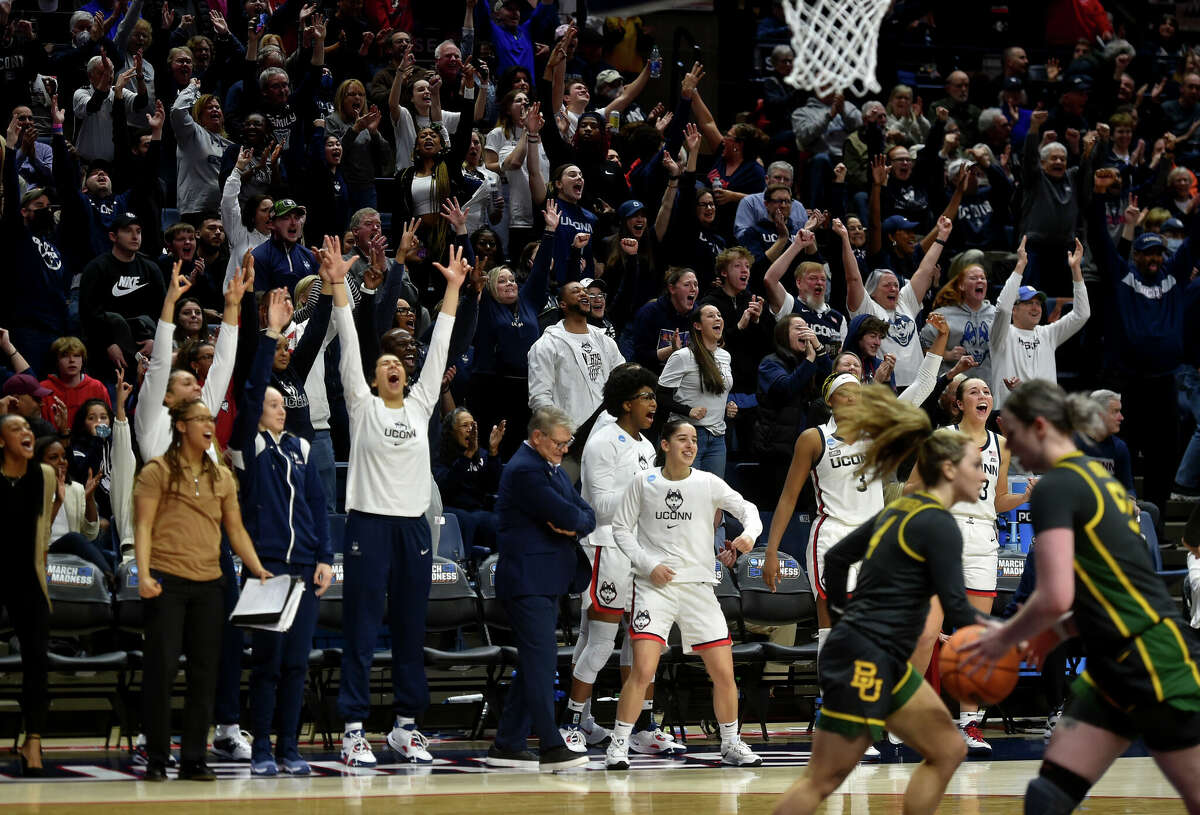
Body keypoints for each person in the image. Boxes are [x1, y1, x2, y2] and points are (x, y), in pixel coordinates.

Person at [965, 380, 1200, 814]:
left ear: (1038, 426)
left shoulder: (1058, 486)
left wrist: (1001, 637)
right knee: (1048, 796)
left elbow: (1055, 595)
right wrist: (1056, 631)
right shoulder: (1094, 477)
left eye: (1011, 434)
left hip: (1151, 658)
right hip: (1115, 661)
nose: (1008, 446)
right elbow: (1098, 587)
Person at [772, 385, 984, 815]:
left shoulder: (895, 512)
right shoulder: (935, 524)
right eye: (976, 465)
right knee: (825, 780)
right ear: (948, 469)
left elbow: (838, 557)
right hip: (865, 660)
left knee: (947, 749)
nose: (983, 474)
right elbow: (960, 609)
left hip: (880, 655)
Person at [325, 236, 466, 767]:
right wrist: (339, 284)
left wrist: (452, 290)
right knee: (363, 629)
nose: (395, 367)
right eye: (385, 362)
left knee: (411, 629)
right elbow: (346, 337)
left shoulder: (422, 403)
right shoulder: (361, 406)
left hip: (412, 530)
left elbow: (442, 347)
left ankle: (406, 727)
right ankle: (354, 730)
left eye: (400, 364)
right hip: (369, 527)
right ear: (373, 375)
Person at [605, 418, 763, 769]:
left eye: (694, 439)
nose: (690, 445)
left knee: (724, 672)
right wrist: (648, 565)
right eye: (682, 439)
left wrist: (748, 536)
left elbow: (748, 510)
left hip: (698, 588)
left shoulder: (708, 482)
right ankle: (618, 744)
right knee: (643, 669)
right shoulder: (643, 482)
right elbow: (620, 529)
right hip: (653, 587)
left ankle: (731, 742)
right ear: (664, 445)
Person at [133, 398, 272, 783]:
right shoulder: (156, 471)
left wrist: (258, 568)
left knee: (204, 673)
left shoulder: (222, 477)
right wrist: (144, 574)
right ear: (180, 426)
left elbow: (236, 529)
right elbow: (142, 526)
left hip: (211, 583)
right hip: (167, 580)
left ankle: (194, 757)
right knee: (161, 671)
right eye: (199, 420)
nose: (208, 425)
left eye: (210, 419)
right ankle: (158, 756)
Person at [905, 376, 1032, 755]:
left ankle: (969, 726)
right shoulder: (941, 438)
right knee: (927, 634)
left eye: (987, 391)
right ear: (958, 404)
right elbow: (910, 488)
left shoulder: (1002, 445)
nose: (984, 396)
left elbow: (996, 500)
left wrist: (1023, 496)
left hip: (983, 541)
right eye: (974, 391)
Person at [561, 363, 683, 754]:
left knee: (644, 642)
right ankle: (571, 722)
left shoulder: (647, 448)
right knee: (599, 642)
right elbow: (598, 505)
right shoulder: (602, 442)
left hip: (639, 553)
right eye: (647, 396)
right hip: (607, 548)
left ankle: (642, 726)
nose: (654, 404)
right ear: (626, 402)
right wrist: (646, 492)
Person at [237, 289, 334, 777]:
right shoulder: (250, 448)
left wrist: (323, 557)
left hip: (303, 569)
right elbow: (252, 389)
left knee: (297, 665)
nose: (279, 407)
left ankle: (291, 749)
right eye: (272, 403)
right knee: (268, 665)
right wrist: (269, 332)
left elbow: (318, 507)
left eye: (282, 403)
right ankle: (260, 752)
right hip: (267, 567)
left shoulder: (298, 447)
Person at [486, 406, 594, 771]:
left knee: (535, 663)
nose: (565, 449)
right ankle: (550, 746)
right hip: (527, 581)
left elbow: (585, 513)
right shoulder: (525, 470)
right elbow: (569, 514)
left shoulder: (547, 467)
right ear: (538, 438)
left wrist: (574, 524)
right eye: (560, 443)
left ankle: (507, 744)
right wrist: (573, 522)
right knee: (541, 663)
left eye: (568, 443)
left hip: (545, 581)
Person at [0, 414, 56, 776]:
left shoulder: (45, 476)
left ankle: (33, 740)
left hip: (28, 576)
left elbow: (43, 532)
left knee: (37, 658)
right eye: (16, 428)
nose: (27, 433)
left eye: (28, 429)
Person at [841, 216, 950, 389]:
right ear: (873, 291)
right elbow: (853, 279)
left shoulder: (904, 302)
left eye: (896, 285)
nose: (893, 288)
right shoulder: (868, 309)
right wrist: (845, 240)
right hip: (887, 386)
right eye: (887, 285)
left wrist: (942, 236)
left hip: (918, 386)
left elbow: (924, 270)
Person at [990, 237, 1090, 411]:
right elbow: (1003, 309)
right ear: (1015, 309)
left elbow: (1082, 314)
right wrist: (1020, 266)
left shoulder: (1048, 334)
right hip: (1009, 416)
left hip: (1046, 414)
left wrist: (1076, 270)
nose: (1036, 308)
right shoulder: (1001, 335)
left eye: (1038, 303)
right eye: (1029, 303)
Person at [527, 280, 624, 430]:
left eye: (585, 290)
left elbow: (624, 382)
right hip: (572, 435)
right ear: (563, 304)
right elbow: (540, 398)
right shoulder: (546, 345)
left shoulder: (605, 341)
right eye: (576, 291)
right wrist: (559, 432)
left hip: (609, 430)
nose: (583, 293)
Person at [657, 304, 735, 476]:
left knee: (713, 497)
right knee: (686, 493)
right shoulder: (683, 356)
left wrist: (728, 405)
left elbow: (718, 392)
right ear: (697, 325)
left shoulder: (725, 356)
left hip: (718, 437)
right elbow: (660, 396)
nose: (717, 318)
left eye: (719, 315)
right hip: (687, 435)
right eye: (710, 316)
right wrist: (688, 410)